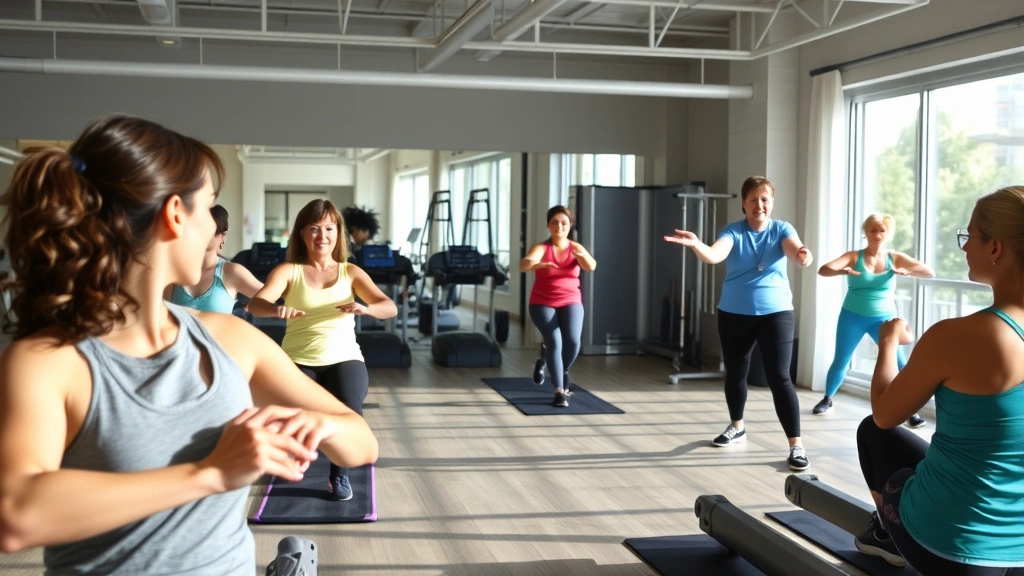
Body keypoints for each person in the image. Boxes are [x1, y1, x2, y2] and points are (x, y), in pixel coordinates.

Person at [0, 115, 378, 575]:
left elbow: (361, 444)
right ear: (175, 215)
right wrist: (210, 473)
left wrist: (309, 421)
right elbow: (16, 515)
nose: (215, 231)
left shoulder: (230, 339)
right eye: (209, 209)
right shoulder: (51, 359)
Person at [854, 186, 1024, 574]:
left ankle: (888, 532)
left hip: (954, 546)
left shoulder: (958, 335)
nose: (964, 247)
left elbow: (884, 413)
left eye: (969, 237)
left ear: (995, 248)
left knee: (874, 433)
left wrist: (888, 342)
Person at [248, 199, 396, 501]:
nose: (322, 235)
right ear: (302, 234)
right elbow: (255, 304)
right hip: (297, 359)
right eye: (314, 229)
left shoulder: (350, 272)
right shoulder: (289, 271)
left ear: (338, 233)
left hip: (344, 357)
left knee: (349, 411)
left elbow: (389, 306)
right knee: (290, 417)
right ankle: (291, 456)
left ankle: (338, 474)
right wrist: (277, 310)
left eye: (329, 228)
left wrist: (366, 310)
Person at [664, 176, 814, 471]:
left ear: (772, 202)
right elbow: (714, 255)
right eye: (754, 200)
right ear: (744, 204)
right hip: (734, 313)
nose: (760, 205)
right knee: (736, 372)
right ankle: (737, 426)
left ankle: (796, 446)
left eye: (765, 199)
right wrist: (697, 244)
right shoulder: (733, 231)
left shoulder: (782, 229)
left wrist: (803, 256)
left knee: (780, 378)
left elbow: (796, 251)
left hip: (776, 312)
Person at [815, 213, 934, 425]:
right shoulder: (854, 256)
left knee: (900, 363)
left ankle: (910, 410)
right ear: (866, 233)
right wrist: (842, 271)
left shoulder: (894, 257)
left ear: (887, 234)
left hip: (885, 319)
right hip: (852, 316)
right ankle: (827, 398)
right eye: (873, 230)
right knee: (841, 360)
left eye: (882, 231)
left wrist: (906, 271)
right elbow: (823, 270)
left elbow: (928, 272)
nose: (878, 235)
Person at [520, 206, 597, 408]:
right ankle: (559, 391)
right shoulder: (541, 248)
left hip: (571, 300)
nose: (559, 226)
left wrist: (582, 256)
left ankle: (561, 369)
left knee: (572, 341)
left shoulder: (576, 247)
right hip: (542, 302)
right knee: (555, 341)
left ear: (570, 225)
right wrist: (538, 264)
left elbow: (591, 266)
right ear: (548, 225)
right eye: (554, 222)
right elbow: (525, 264)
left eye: (564, 222)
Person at [167, 205, 264, 314]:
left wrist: (256, 304)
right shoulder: (174, 269)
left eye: (208, 230)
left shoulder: (231, 271)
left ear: (223, 235)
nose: (201, 235)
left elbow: (271, 296)